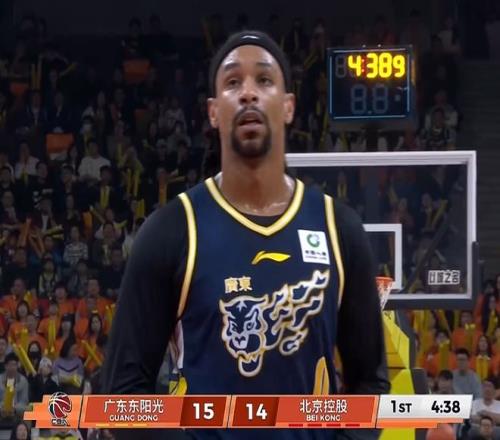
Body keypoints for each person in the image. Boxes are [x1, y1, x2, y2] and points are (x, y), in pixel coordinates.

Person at [102, 30, 389, 440]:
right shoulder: (172, 229)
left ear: (288, 106)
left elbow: (370, 383)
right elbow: (122, 396)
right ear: (213, 111)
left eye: (264, 80)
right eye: (233, 82)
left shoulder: (338, 228)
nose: (249, 93)